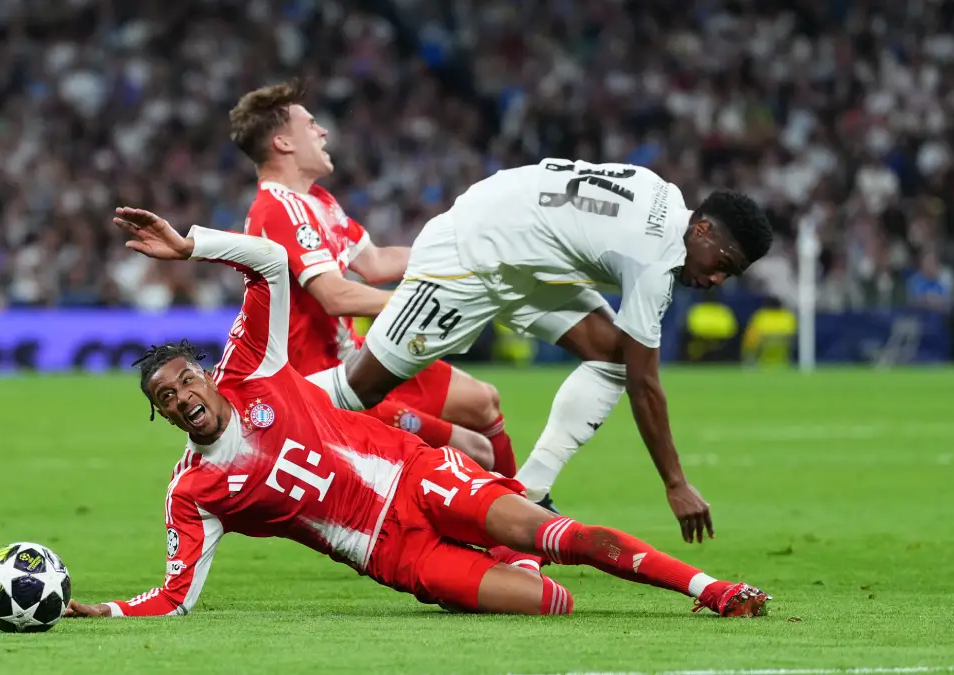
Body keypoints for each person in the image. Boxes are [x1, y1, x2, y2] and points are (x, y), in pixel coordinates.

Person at [63, 206, 771, 619]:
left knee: (564, 537)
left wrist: (193, 245)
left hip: (418, 478)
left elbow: (274, 262)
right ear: (164, 416)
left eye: (185, 380)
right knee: (552, 603)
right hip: (396, 554)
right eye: (168, 399)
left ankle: (713, 589)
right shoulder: (192, 492)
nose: (184, 398)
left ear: (204, 374)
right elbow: (177, 595)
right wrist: (109, 612)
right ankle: (510, 555)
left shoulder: (253, 368)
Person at [309, 159, 774, 538]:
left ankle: (530, 488)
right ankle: (252, 403)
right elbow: (645, 386)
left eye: (729, 276)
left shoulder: (666, 196)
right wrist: (676, 484)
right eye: (723, 265)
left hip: (522, 256)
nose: (716, 280)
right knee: (360, 388)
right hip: (470, 256)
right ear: (703, 231)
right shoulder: (655, 261)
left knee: (611, 355)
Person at [223, 80, 516, 475]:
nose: (322, 131)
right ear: (283, 143)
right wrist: (422, 303)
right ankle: (514, 524)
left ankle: (528, 509)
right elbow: (335, 296)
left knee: (483, 400)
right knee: (475, 452)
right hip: (323, 382)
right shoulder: (277, 210)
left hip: (356, 353)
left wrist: (466, 256)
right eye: (310, 124)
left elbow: (376, 262)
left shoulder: (318, 201)